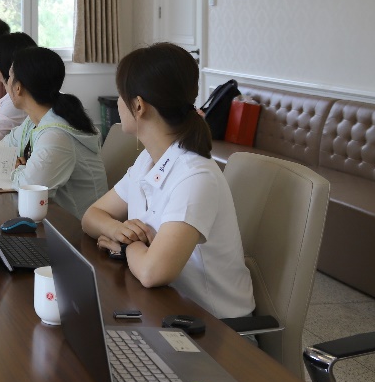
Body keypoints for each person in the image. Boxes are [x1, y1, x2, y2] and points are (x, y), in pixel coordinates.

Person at [81, 43, 254, 320]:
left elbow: (153, 272)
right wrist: (118, 229)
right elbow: (92, 216)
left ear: (138, 106)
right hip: (164, 309)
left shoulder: (195, 176)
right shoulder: (147, 160)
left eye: (120, 95)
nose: (117, 102)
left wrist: (126, 245)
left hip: (215, 328)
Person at [3, 47, 107, 219]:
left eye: (9, 78)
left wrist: (18, 167)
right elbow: (3, 148)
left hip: (77, 230)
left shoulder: (57, 136)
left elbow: (29, 187)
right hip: (52, 220)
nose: (6, 85)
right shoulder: (34, 121)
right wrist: (18, 167)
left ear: (18, 88)